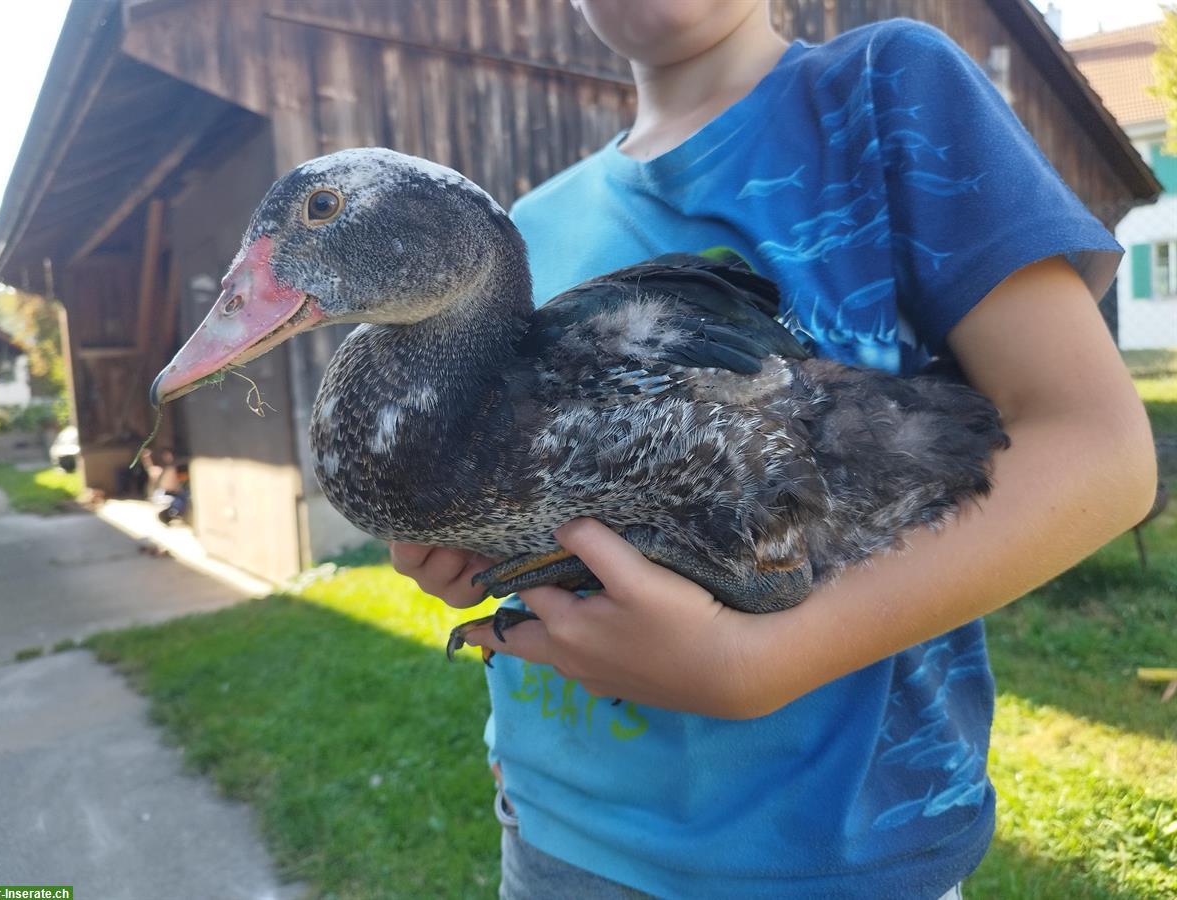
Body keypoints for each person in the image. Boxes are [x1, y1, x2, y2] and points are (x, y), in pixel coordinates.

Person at [391, 3, 1157, 897]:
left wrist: (760, 664)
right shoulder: (529, 226)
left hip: (829, 865)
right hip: (549, 836)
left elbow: (1101, 452)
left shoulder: (887, 89)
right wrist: (484, 555)